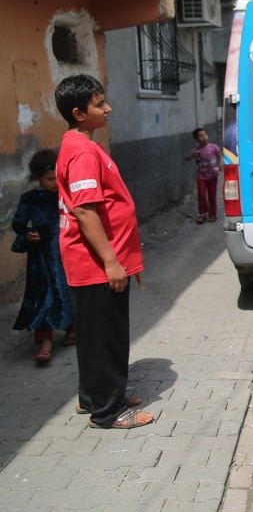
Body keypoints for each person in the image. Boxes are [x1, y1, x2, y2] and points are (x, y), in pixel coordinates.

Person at [54, 74, 153, 429]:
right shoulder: (80, 151)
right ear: (79, 113)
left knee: (96, 336)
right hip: (96, 264)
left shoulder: (83, 145)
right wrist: (111, 262)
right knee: (106, 336)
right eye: (99, 104)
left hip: (103, 262)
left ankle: (94, 396)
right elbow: (84, 211)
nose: (108, 108)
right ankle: (108, 412)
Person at [11, 149, 74, 362]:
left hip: (67, 254)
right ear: (38, 177)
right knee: (44, 296)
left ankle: (71, 330)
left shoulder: (68, 196)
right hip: (42, 260)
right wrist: (28, 235)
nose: (55, 183)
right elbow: (18, 224)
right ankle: (46, 340)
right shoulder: (30, 199)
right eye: (49, 179)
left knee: (69, 292)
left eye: (59, 178)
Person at [185, 128, 222, 224]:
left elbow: (219, 156)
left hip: (213, 175)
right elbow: (187, 158)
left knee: (212, 195)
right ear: (197, 139)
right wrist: (191, 156)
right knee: (201, 194)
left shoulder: (213, 147)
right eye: (200, 136)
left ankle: (212, 214)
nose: (204, 137)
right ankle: (202, 213)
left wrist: (219, 166)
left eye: (205, 134)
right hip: (201, 175)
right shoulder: (196, 150)